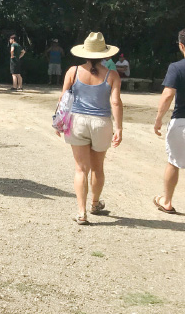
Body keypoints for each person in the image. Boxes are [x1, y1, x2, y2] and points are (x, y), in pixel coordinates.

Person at [57, 32, 123, 225]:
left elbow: (63, 98)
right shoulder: (112, 75)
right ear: (104, 54)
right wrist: (118, 127)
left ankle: (81, 212)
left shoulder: (73, 71)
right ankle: (95, 203)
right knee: (98, 168)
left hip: (76, 121)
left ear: (84, 53)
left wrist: (59, 121)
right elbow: (116, 102)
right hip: (101, 123)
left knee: (80, 169)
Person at [152, 28, 185, 214]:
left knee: (174, 162)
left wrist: (158, 119)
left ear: (181, 45)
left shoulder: (177, 67)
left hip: (182, 122)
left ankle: (167, 201)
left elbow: (167, 95)